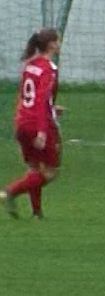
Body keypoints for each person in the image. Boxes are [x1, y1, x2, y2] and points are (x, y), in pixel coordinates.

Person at [2, 29, 63, 219]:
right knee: (51, 172)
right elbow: (41, 100)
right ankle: (9, 192)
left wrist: (52, 108)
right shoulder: (48, 68)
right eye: (58, 40)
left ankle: (37, 213)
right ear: (52, 44)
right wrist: (42, 131)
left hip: (22, 121)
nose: (60, 43)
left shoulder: (30, 65)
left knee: (35, 169)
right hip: (38, 123)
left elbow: (27, 96)